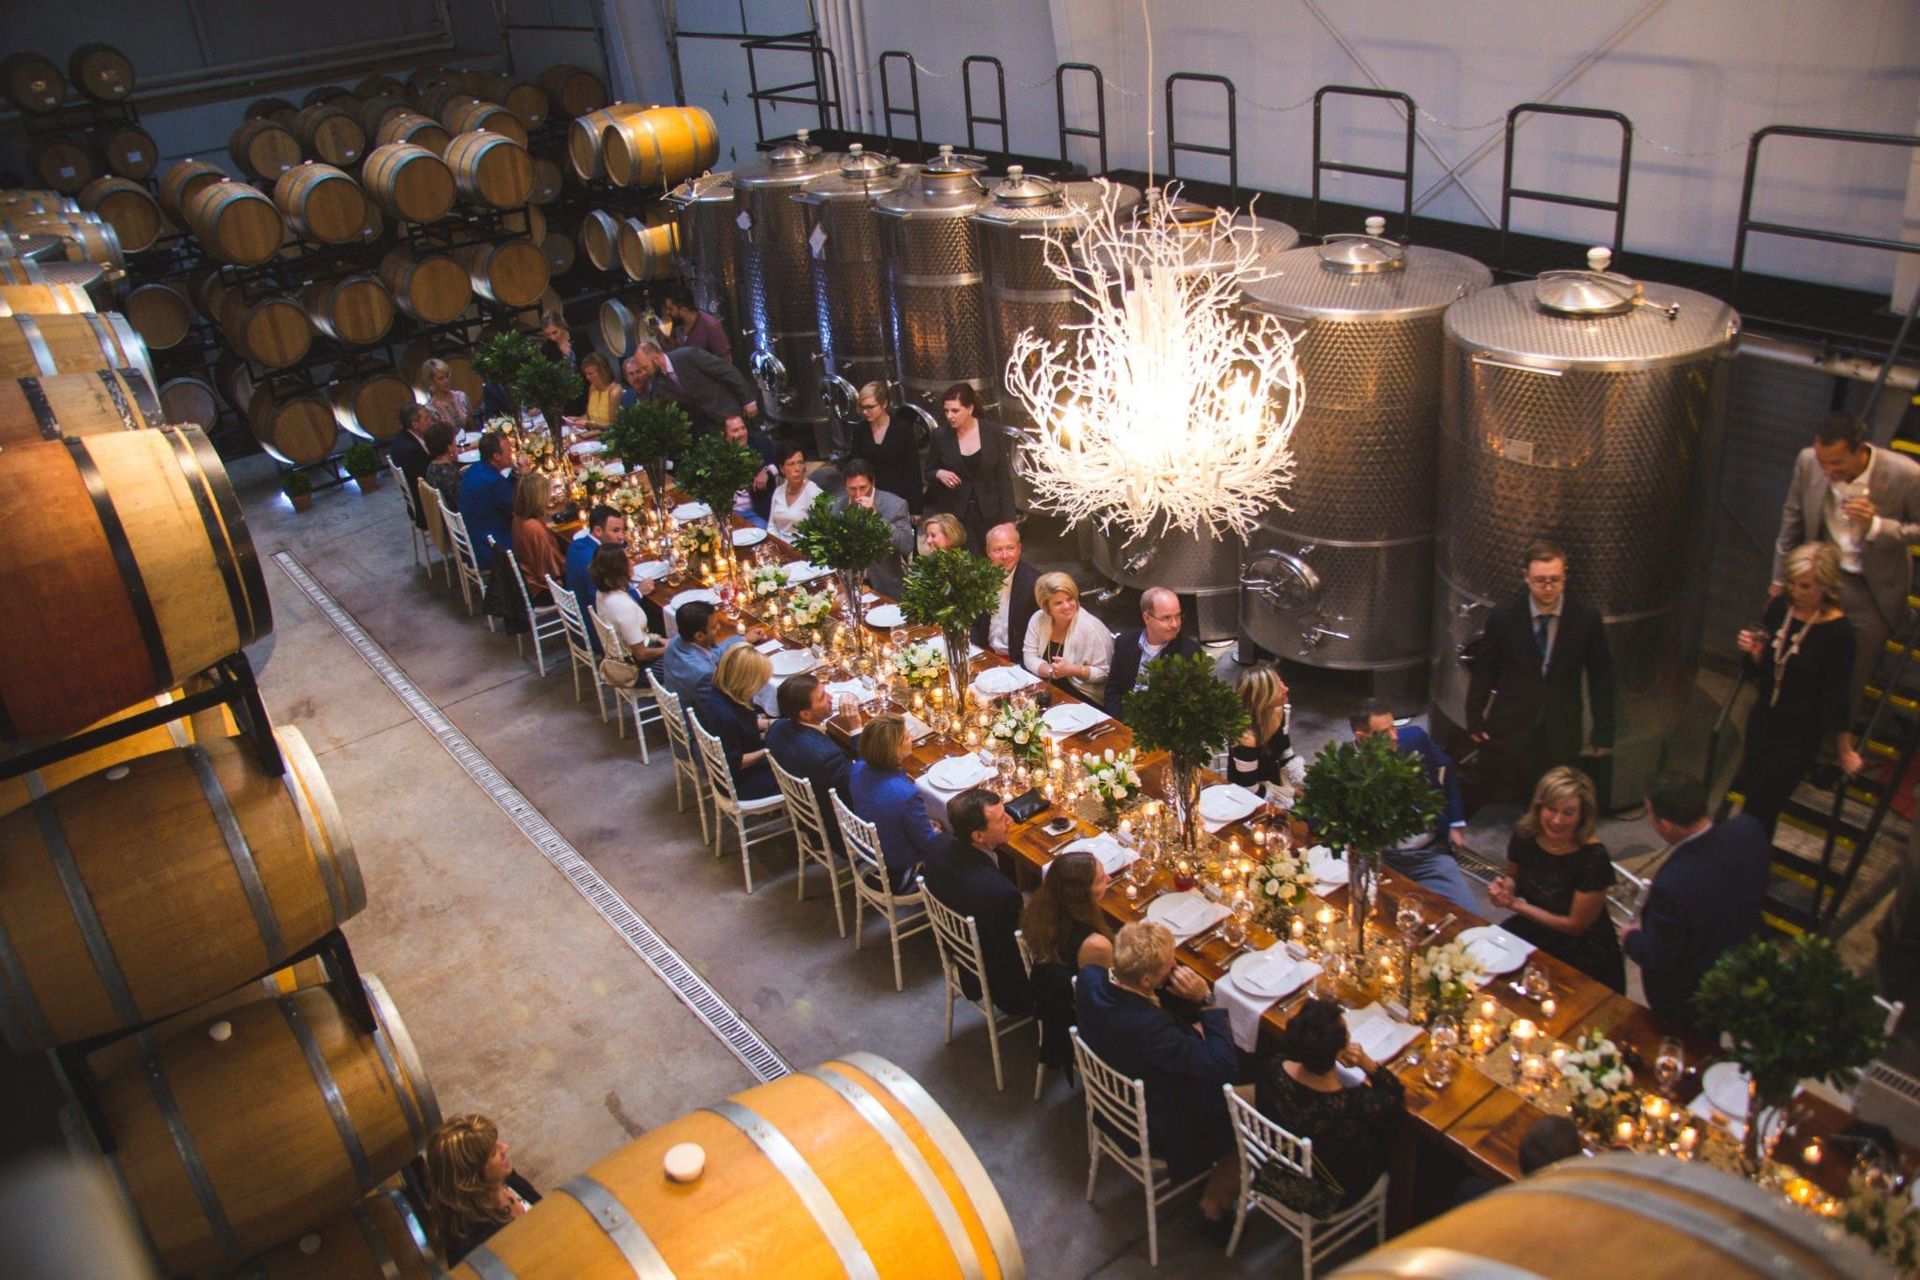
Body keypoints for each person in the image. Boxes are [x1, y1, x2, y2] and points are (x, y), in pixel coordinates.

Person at [1075, 921, 1240, 1227]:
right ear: (1147, 979)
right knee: (1249, 1103)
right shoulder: (1154, 1030)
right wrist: (1207, 1001)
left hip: (1111, 1093)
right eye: (1170, 963)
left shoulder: (1089, 980)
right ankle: (1214, 1203)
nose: (1175, 965)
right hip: (1160, 1126)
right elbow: (1221, 1067)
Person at [1772, 409, 1920, 711]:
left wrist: (1877, 526)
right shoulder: (1807, 461)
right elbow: (1792, 519)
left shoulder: (1906, 474)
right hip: (1822, 577)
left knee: (1849, 677)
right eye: (1823, 461)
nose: (1827, 470)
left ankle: (1832, 749)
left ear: (1860, 449)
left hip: (1872, 588)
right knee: (1798, 660)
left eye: (1837, 462)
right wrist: (1777, 580)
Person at [1464, 539, 1615, 806]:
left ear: (1565, 575)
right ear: (1526, 577)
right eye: (1540, 580)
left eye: (1554, 580)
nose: (1548, 588)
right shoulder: (1505, 616)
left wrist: (1603, 731)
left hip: (1561, 723)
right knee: (1506, 790)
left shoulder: (1585, 618)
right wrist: (1474, 716)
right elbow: (1485, 669)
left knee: (1556, 791)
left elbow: (1601, 677)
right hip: (1512, 720)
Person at [1622, 773, 1770, 1030]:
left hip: (1693, 993)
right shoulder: (1749, 829)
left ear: (1666, 825)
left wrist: (1631, 938)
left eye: (1649, 814)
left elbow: (1660, 957)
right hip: (1743, 966)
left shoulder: (1673, 882)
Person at [1733, 542, 1861, 834]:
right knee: (1753, 799)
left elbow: (1837, 695)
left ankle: (1748, 865)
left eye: (1805, 586)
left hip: (1798, 733)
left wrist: (1844, 749)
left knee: (1760, 806)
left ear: (1826, 587)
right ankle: (1747, 861)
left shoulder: (1839, 634)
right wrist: (1754, 653)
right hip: (1764, 718)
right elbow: (1762, 668)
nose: (1797, 592)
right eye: (1792, 584)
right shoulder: (1780, 608)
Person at [1255, 998, 1404, 1214]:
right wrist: (1366, 1063)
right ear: (1338, 1052)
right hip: (1326, 1194)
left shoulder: (1273, 1067)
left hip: (1276, 1165)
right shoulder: (1349, 1105)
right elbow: (1394, 1095)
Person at [1488, 766, 1625, 990]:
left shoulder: (1593, 857)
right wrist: (1505, 889)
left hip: (1583, 950)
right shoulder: (1524, 836)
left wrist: (1514, 905)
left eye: (1568, 813)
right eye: (1551, 809)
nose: (1557, 820)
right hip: (1534, 929)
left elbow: (1574, 926)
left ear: (1582, 816)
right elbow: (1514, 880)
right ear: (1539, 806)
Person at [1350, 699, 1480, 914]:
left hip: (1428, 855)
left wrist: (1456, 821)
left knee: (1471, 916)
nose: (1394, 737)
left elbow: (1446, 766)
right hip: (1381, 860)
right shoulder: (1350, 774)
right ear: (1362, 739)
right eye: (1384, 733)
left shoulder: (1414, 739)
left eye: (1393, 727)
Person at [920, 787, 1032, 1016]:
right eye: (1002, 820)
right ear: (978, 836)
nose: (1010, 820)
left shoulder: (938, 846)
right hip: (1004, 979)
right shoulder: (1000, 893)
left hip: (961, 939)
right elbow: (1012, 952)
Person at [1021, 849, 1114, 1070]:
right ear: (1083, 895)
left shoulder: (1041, 907)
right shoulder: (1096, 945)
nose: (1109, 879)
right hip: (1087, 1016)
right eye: (1102, 879)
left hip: (1058, 984)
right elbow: (1114, 995)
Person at [425, 1114, 540, 1267]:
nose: (505, 1147)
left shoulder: (504, 1179)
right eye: (493, 1153)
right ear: (472, 1178)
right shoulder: (476, 1243)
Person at [848, 714, 940, 892]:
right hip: (898, 873)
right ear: (894, 750)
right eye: (906, 737)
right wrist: (937, 831)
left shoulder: (858, 768)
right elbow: (927, 843)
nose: (911, 738)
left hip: (867, 853)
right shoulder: (905, 795)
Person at [923, 383, 1015, 549]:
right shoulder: (940, 435)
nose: (949, 416)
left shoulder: (992, 432)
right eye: (946, 411)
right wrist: (939, 473)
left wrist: (1010, 520)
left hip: (990, 512)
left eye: (955, 411)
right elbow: (928, 472)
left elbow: (1003, 477)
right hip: (956, 515)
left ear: (970, 408)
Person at [765, 672, 853, 830]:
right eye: (822, 697)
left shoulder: (776, 729)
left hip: (806, 814)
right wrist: (855, 730)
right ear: (805, 714)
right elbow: (859, 784)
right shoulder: (828, 758)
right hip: (841, 828)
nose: (830, 697)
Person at [621, 341, 756, 436]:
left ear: (656, 359)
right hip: (706, 425)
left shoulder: (688, 356)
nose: (645, 372)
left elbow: (726, 371)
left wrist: (748, 399)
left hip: (727, 411)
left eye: (645, 367)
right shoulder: (658, 381)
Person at [1105, 587, 1201, 717]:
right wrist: (1120, 723)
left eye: (1178, 616)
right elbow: (1113, 691)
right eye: (1166, 618)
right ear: (1147, 617)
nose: (1175, 624)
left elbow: (1188, 709)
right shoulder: (1125, 643)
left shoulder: (1189, 653)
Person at [698, 644, 777, 800]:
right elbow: (736, 762)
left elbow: (744, 724)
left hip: (739, 762)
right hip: (739, 781)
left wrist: (769, 723)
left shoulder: (721, 692)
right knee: (801, 769)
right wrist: (769, 749)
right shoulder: (724, 716)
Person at [1023, 571, 1113, 706]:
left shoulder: (1091, 629)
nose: (1066, 606)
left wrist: (1072, 670)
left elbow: (1104, 674)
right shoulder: (1038, 619)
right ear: (1047, 607)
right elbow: (1029, 655)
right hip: (1047, 686)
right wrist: (1050, 671)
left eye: (1070, 599)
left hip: (1083, 695)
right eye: (1058, 603)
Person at [829, 459, 916, 597]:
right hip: (850, 583)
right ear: (845, 486)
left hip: (885, 586)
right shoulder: (836, 506)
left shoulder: (895, 505)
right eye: (852, 489)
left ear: (873, 483)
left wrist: (876, 517)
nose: (858, 494)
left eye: (863, 487)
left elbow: (906, 545)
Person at [658, 599, 764, 705]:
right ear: (699, 636)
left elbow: (714, 654)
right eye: (714, 626)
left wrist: (744, 639)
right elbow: (721, 707)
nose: (719, 627)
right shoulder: (704, 674)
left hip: (679, 701)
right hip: (697, 716)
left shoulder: (677, 641)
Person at [847, 381, 924, 515]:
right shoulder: (860, 430)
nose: (865, 412)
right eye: (862, 407)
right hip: (869, 496)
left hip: (899, 496)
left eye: (870, 407)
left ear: (884, 404)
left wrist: (916, 508)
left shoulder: (903, 429)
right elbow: (855, 466)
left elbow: (913, 470)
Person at [1230, 665, 1305, 799]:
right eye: (1278, 688)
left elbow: (1284, 750)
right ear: (1263, 698)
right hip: (1251, 793)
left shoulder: (1279, 710)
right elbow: (1249, 788)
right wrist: (1292, 793)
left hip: (1273, 777)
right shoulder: (1247, 738)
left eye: (1281, 682)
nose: (1286, 689)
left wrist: (1300, 780)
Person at [590, 544, 665, 666]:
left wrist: (659, 639)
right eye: (627, 561)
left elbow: (631, 634)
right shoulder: (623, 606)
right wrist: (670, 649)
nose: (632, 562)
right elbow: (641, 654)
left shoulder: (601, 592)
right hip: (637, 667)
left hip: (632, 649)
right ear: (619, 569)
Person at [972, 523, 1040, 659]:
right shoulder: (980, 576)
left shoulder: (1035, 583)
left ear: (1019, 549)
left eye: (1010, 548)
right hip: (983, 651)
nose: (1005, 555)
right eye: (998, 550)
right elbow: (975, 621)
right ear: (988, 552)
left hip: (1017, 660)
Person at [456, 429, 520, 559]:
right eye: (509, 450)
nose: (512, 453)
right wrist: (526, 477)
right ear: (497, 456)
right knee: (534, 533)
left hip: (475, 536)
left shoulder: (475, 469)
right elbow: (522, 506)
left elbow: (502, 492)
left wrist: (515, 475)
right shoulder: (493, 482)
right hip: (491, 547)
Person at [564, 504, 627, 621]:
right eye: (616, 531)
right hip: (595, 624)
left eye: (623, 530)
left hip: (578, 612)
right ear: (598, 531)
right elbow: (609, 604)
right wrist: (639, 591)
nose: (621, 537)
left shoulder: (575, 545)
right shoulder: (597, 560)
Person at [509, 471, 565, 602]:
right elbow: (553, 569)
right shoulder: (535, 528)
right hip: (542, 588)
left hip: (530, 578)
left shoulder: (518, 518)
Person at [723, 414, 781, 525]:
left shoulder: (760, 444)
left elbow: (783, 460)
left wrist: (767, 472)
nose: (742, 433)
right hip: (728, 511)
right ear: (725, 436)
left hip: (757, 511)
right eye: (735, 430)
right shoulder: (717, 454)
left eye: (743, 428)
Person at [657, 281, 730, 361]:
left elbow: (726, 361)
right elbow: (674, 353)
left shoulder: (710, 326)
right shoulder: (677, 325)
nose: (667, 312)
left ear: (683, 309)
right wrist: (659, 333)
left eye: (670, 309)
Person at [767, 443, 823, 540]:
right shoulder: (778, 491)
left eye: (800, 463)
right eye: (791, 464)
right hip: (779, 545)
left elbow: (819, 533)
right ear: (782, 468)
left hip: (803, 549)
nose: (797, 469)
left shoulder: (815, 493)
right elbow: (771, 526)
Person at [390, 402, 434, 525]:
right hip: (425, 507)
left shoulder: (402, 436)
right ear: (415, 424)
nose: (430, 420)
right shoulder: (411, 450)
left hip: (418, 494)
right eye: (426, 418)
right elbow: (428, 476)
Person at [537, 310, 586, 417]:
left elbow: (593, 361)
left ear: (562, 325)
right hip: (566, 400)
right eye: (548, 334)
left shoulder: (580, 337)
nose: (552, 337)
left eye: (555, 332)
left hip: (587, 391)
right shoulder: (546, 348)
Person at [417, 357, 472, 434]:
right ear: (431, 382)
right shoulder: (430, 409)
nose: (446, 381)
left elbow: (471, 423)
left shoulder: (461, 396)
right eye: (441, 378)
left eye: (447, 376)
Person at [566, 352, 621, 429]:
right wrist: (577, 419)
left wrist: (592, 425)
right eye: (586, 374)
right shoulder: (592, 388)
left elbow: (614, 425)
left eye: (591, 374)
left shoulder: (614, 392)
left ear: (603, 372)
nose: (587, 378)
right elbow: (589, 416)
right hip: (592, 434)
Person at [421, 420, 463, 515]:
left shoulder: (431, 467)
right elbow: (464, 501)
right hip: (459, 518)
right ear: (450, 447)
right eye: (454, 441)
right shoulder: (451, 475)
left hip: (446, 515)